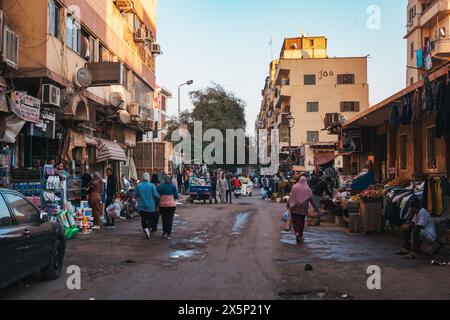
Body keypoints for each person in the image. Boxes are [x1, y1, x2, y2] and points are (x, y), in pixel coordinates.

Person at [288, 176, 320, 244]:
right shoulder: (307, 189)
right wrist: (316, 209)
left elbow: (291, 197)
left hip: (294, 208)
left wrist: (288, 205)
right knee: (301, 222)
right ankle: (300, 235)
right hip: (303, 209)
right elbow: (312, 200)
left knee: (295, 222)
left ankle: (297, 232)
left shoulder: (295, 187)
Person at [135, 173, 160, 239]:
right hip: (151, 206)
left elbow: (135, 194)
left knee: (143, 219)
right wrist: (159, 197)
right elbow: (156, 195)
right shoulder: (152, 186)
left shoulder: (139, 185)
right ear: (148, 178)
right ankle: (148, 229)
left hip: (142, 206)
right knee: (150, 219)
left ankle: (145, 229)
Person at [158, 176, 179, 240]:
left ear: (164, 180)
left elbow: (158, 195)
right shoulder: (173, 186)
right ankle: (169, 232)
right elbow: (176, 196)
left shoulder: (161, 186)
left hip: (162, 205)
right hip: (171, 205)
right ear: (170, 180)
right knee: (170, 218)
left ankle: (164, 231)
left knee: (164, 218)